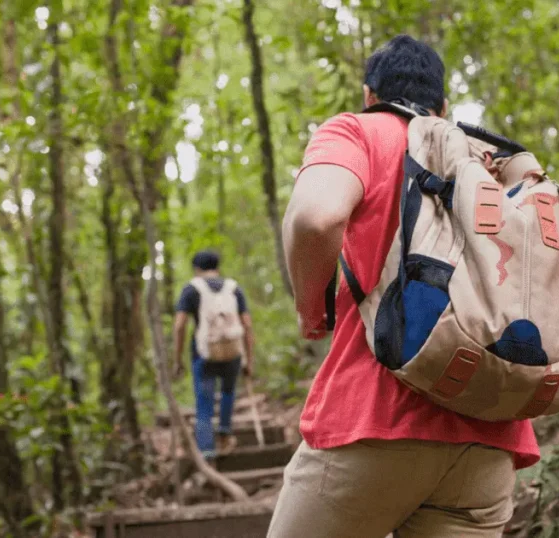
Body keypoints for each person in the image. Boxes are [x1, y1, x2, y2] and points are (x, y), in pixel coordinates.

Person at [269, 35, 540, 538]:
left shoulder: (358, 131)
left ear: (371, 95)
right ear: (442, 105)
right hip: (489, 434)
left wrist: (311, 310)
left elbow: (314, 218)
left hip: (374, 421)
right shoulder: (486, 156)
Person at [172, 250, 254, 459]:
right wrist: (249, 360)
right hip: (233, 351)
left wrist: (177, 358)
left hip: (204, 353)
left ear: (197, 269)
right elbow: (247, 324)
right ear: (217, 267)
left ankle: (207, 451)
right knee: (228, 392)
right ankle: (225, 433)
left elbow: (180, 325)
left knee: (204, 401)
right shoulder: (234, 288)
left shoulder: (191, 289)